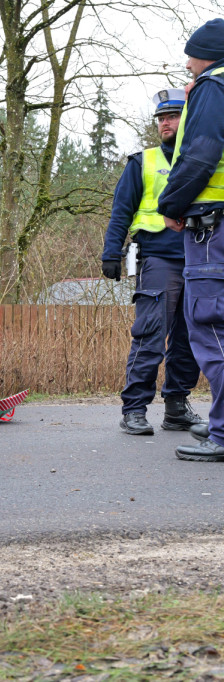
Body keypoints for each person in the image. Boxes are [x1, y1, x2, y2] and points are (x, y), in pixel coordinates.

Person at [101, 88, 206, 436]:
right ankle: (134, 409)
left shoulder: (207, 161)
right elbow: (121, 213)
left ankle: (176, 407)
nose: (165, 122)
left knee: (190, 339)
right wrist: (111, 253)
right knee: (149, 335)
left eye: (172, 116)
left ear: (187, 119)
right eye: (161, 118)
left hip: (201, 260)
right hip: (159, 259)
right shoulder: (142, 162)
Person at [158, 18, 224, 461]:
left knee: (212, 325)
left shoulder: (212, 87)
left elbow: (200, 152)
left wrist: (172, 204)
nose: (187, 64)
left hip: (213, 228)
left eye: (192, 55)